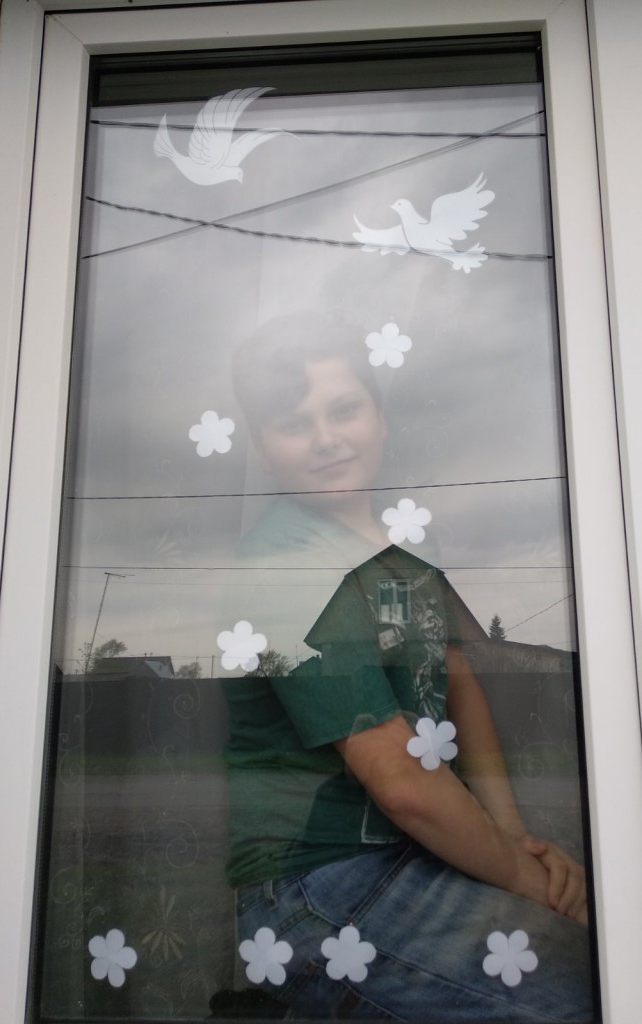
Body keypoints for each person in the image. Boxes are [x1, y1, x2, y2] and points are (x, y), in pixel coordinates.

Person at [223, 312, 594, 1021]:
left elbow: (458, 685)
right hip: (316, 885)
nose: (327, 438)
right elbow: (403, 783)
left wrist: (512, 837)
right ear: (264, 451)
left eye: (344, 409)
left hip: (412, 854)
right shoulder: (285, 565)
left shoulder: (404, 550)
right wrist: (526, 880)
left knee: (592, 955)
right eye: (295, 424)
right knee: (582, 994)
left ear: (380, 418)